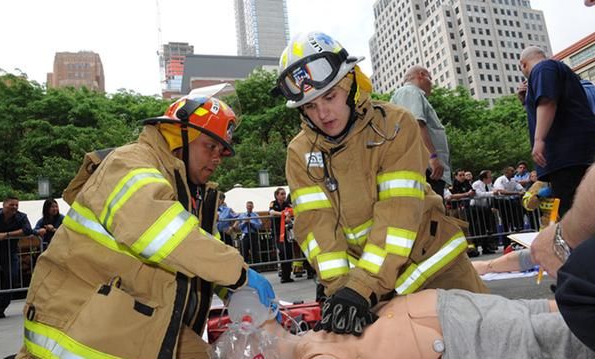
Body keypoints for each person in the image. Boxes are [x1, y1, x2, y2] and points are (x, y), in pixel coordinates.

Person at [17, 85, 276, 358]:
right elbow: (163, 234)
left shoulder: (182, 188)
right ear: (178, 136)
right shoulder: (130, 163)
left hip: (122, 314)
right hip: (76, 329)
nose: (216, 159)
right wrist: (240, 275)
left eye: (221, 152)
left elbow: (194, 249)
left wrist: (230, 286)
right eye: (210, 146)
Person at [274, 31, 487, 337]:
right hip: (371, 289)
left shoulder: (396, 124)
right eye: (309, 106)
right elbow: (317, 227)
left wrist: (360, 287)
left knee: (486, 340)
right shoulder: (300, 152)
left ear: (350, 85)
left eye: (330, 97)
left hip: (435, 268)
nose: (321, 113)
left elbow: (398, 214)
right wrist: (340, 291)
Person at [220, 289, 594, 359]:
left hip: (451, 332)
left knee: (562, 334)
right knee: (550, 319)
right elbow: (260, 321)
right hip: (442, 314)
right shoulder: (308, 341)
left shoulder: (308, 347)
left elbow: (259, 321)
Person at [520, 45, 595, 216]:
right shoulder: (556, 71)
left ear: (523, 64)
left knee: (574, 215)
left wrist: (539, 140)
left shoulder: (542, 68)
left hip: (568, 157)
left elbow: (547, 102)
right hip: (575, 155)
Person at [530, 163, 595, 351]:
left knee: (575, 281)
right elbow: (528, 203)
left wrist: (565, 235)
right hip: (550, 226)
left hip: (571, 223)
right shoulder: (538, 185)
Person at [391, 65, 452, 197]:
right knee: (430, 213)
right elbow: (416, 124)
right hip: (425, 168)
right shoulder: (410, 91)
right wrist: (432, 157)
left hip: (426, 167)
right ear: (421, 75)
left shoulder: (410, 94)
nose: (432, 84)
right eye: (430, 78)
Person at [0, 196, 33, 319]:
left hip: (10, 252)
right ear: (4, 205)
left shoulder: (21, 216)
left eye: (17, 205)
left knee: (13, 276)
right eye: (12, 205)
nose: (15, 207)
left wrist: (6, 235)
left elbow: (28, 230)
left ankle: (1, 306)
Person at [269, 187, 295, 283]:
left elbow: (292, 211)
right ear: (277, 195)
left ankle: (287, 276)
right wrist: (283, 214)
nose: (284, 196)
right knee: (282, 252)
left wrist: (288, 216)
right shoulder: (273, 203)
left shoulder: (287, 204)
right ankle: (283, 275)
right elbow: (271, 212)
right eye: (282, 194)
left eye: (284, 194)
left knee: (289, 253)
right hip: (277, 232)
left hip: (287, 233)